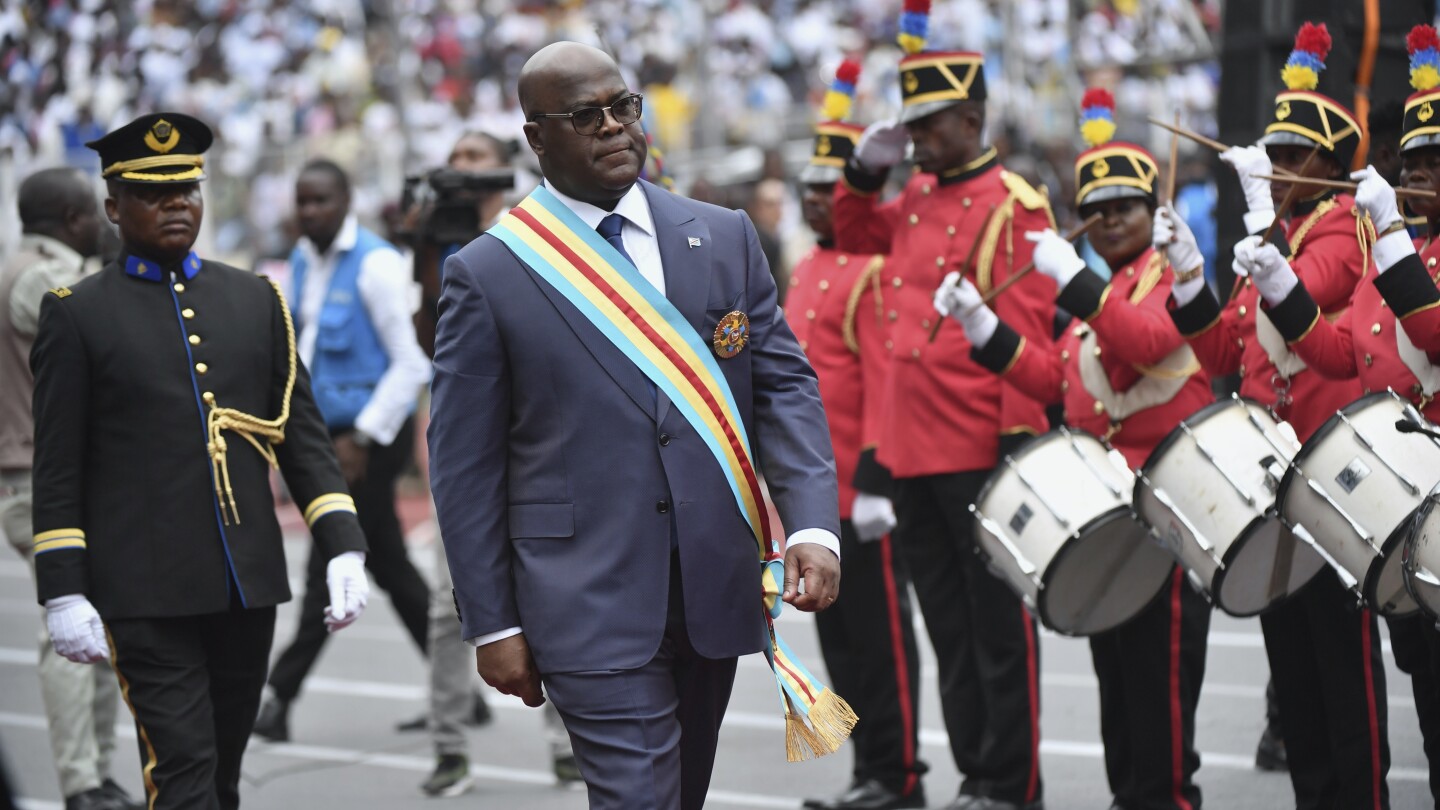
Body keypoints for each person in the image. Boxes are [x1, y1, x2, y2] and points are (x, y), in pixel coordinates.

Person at [428, 41, 844, 810]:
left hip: (714, 587)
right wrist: (491, 623)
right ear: (537, 138)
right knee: (638, 798)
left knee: (679, 794)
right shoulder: (489, 273)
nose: (614, 127)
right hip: (583, 597)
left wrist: (815, 527)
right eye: (587, 116)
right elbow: (464, 466)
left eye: (624, 107)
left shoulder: (723, 236)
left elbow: (782, 386)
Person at [29, 112, 370, 810]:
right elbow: (57, 465)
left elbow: (299, 437)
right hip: (144, 594)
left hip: (245, 585)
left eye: (186, 188)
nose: (177, 203)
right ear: (113, 207)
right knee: (184, 777)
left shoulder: (255, 299)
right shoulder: (77, 313)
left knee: (221, 777)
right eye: (154, 192)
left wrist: (342, 545)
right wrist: (62, 587)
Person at [937, 88, 1213, 810]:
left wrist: (1076, 281)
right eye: (1097, 212)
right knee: (1117, 679)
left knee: (1161, 681)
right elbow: (1053, 378)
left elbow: (1147, 345)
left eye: (1125, 206)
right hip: (1111, 514)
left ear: (1155, 211)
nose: (1109, 221)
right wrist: (981, 327)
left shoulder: (1168, 278)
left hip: (1173, 505)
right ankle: (1134, 797)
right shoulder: (1104, 291)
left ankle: (1166, 800)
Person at [1162, 23, 1389, 809]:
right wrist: (1190, 275)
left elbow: (1318, 289)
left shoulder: (1340, 227)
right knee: (1290, 662)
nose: (1282, 169)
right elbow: (1225, 348)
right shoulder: (1280, 238)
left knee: (1341, 658)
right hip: (1269, 472)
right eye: (1276, 158)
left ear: (1330, 169)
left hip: (1329, 472)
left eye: (1295, 160)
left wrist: (1263, 225)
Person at [831, 11, 1054, 809]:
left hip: (977, 449)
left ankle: (1013, 785)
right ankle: (976, 779)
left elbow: (1027, 346)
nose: (919, 139)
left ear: (972, 119)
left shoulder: (1013, 205)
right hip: (910, 451)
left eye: (929, 125)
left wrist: (1016, 454)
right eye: (912, 126)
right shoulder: (918, 193)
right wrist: (867, 168)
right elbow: (851, 233)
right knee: (950, 634)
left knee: (998, 634)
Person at [1226, 22, 1440, 803]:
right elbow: (1329, 349)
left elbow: (1426, 330)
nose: (1421, 175)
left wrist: (1379, 237)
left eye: (1435, 165)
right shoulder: (1381, 245)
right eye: (1413, 163)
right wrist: (1233, 284)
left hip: (1373, 481)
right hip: (1350, 486)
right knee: (1349, 673)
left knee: (1354, 677)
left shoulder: (1366, 239)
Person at [253, 159, 432, 742]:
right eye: (302, 202)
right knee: (386, 563)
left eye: (321, 201)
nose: (309, 212)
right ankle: (456, 683)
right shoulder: (304, 260)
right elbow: (304, 349)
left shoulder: (378, 265)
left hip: (371, 440)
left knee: (329, 552)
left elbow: (411, 363)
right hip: (327, 438)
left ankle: (279, 695)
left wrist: (361, 437)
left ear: (346, 200)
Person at [789, 71, 927, 810]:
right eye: (809, 188)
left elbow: (885, 380)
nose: (817, 200)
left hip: (857, 492)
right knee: (839, 645)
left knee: (883, 643)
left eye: (827, 187)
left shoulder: (873, 271)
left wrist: (876, 476)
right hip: (813, 497)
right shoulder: (807, 266)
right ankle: (867, 773)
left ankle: (898, 776)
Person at [0, 167, 139, 810]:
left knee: (99, 623)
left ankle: (97, 776)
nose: (107, 224)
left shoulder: (14, 266)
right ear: (73, 220)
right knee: (72, 623)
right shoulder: (34, 276)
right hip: (41, 479)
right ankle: (84, 781)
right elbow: (102, 336)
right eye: (96, 213)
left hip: (33, 475)